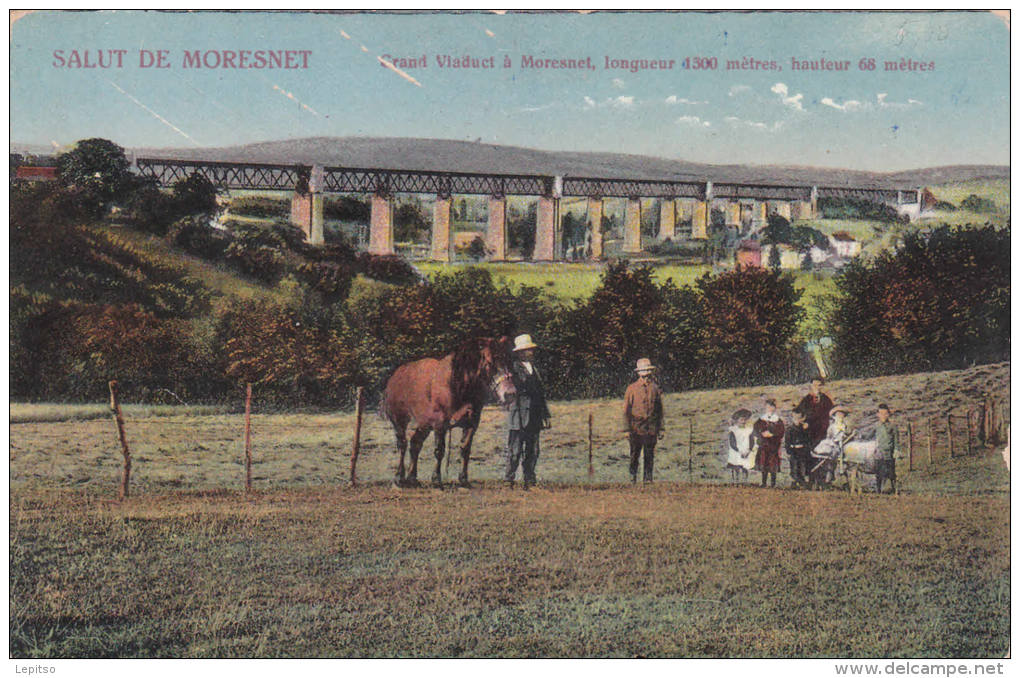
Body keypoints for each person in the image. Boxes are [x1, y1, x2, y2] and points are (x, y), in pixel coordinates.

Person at [504, 334, 551, 489]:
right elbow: (519, 387)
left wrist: (545, 414)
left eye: (531, 349)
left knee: (533, 450)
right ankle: (509, 480)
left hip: (535, 415)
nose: (531, 352)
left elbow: (540, 393)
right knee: (515, 450)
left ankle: (529, 480)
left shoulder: (535, 369)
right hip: (518, 413)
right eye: (528, 350)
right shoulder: (513, 368)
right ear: (520, 352)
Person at [623, 358, 664, 484]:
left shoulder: (655, 388)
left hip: (651, 426)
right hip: (636, 426)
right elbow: (626, 411)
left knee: (649, 454)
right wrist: (626, 429)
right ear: (639, 374)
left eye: (647, 374)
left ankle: (648, 478)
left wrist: (661, 428)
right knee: (635, 454)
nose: (646, 377)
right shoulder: (631, 389)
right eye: (643, 374)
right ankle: (633, 477)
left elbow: (660, 410)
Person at [811, 406, 853, 487]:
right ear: (834, 416)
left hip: (844, 445)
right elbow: (829, 437)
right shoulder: (832, 427)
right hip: (834, 445)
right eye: (838, 415)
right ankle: (828, 480)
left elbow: (849, 435)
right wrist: (833, 441)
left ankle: (844, 481)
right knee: (831, 462)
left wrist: (847, 436)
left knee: (844, 462)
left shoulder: (845, 426)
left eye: (842, 415)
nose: (840, 417)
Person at [795, 377, 835, 449]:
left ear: (821, 386)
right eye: (814, 385)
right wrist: (802, 422)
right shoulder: (806, 399)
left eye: (819, 385)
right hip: (809, 426)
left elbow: (832, 412)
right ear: (811, 386)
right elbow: (798, 411)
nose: (816, 387)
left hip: (823, 427)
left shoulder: (826, 399)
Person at [753, 398, 785, 488]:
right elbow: (755, 430)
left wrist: (772, 435)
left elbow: (781, 432)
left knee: (773, 464)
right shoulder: (761, 419)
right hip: (764, 445)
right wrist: (762, 433)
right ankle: (763, 482)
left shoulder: (778, 420)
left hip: (773, 445)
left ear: (774, 408)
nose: (770, 408)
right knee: (764, 463)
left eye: (771, 406)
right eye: (768, 406)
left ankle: (773, 483)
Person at [725, 409, 756, 483]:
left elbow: (752, 441)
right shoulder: (733, 431)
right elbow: (732, 443)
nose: (743, 422)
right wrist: (739, 451)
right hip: (736, 451)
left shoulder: (749, 430)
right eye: (741, 420)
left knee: (745, 466)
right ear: (737, 420)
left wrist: (749, 450)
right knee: (736, 466)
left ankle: (744, 481)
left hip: (746, 450)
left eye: (745, 420)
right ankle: (736, 480)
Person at [784, 408, 812, 488]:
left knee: (803, 466)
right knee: (794, 466)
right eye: (795, 418)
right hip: (793, 451)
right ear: (792, 418)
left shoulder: (804, 429)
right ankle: (794, 481)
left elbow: (807, 440)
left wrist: (806, 429)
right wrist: (788, 451)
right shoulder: (789, 429)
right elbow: (787, 442)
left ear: (802, 419)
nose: (796, 420)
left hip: (802, 451)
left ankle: (802, 481)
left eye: (799, 418)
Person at [874, 404, 898, 494]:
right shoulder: (876, 426)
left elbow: (896, 439)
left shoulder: (892, 426)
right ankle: (878, 490)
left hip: (889, 453)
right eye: (881, 413)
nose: (883, 416)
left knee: (891, 471)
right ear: (878, 414)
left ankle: (893, 489)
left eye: (885, 413)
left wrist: (896, 450)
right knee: (879, 472)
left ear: (888, 414)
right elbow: (870, 436)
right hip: (879, 453)